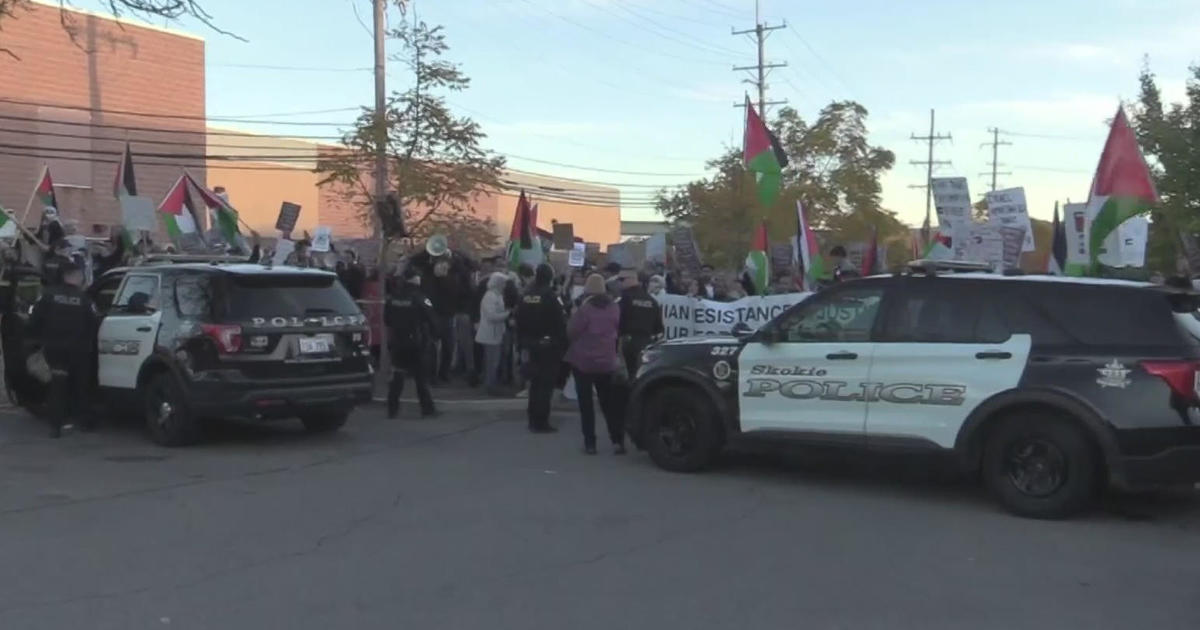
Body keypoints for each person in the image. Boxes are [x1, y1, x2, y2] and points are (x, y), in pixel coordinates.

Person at [26, 258, 100, 438]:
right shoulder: (84, 299)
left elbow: (34, 320)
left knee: (58, 387)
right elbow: (95, 322)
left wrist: (35, 340)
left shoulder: (48, 295)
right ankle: (83, 422)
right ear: (75, 276)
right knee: (81, 386)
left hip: (55, 349)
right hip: (80, 350)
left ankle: (55, 426)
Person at [565, 273, 626, 454]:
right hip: (607, 361)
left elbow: (571, 331)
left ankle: (590, 443)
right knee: (609, 404)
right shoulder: (614, 308)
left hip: (583, 361)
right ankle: (617, 441)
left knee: (586, 405)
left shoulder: (585, 309)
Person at [515, 263, 566, 433]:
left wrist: (522, 342)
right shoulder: (550, 296)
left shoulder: (526, 294)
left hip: (529, 343)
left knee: (534, 384)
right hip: (548, 346)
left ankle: (532, 419)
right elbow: (560, 322)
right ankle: (541, 421)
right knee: (545, 385)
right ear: (550, 277)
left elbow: (518, 319)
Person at [384, 266, 439, 419]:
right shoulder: (419, 297)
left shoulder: (393, 296)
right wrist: (436, 335)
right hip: (416, 342)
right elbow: (431, 318)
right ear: (414, 279)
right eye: (418, 277)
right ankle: (427, 408)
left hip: (397, 341)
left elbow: (387, 319)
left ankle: (392, 408)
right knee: (420, 377)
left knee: (398, 375)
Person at [618, 271, 664, 377]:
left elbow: (617, 320)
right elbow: (658, 327)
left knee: (628, 374)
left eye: (622, 280)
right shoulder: (651, 300)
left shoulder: (625, 298)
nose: (619, 283)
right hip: (646, 342)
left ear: (631, 280)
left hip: (627, 341)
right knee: (642, 374)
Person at [475, 272, 509, 395]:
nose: (505, 286)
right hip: (490, 333)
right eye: (503, 283)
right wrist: (507, 314)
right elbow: (491, 316)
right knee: (491, 362)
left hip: (496, 332)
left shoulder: (497, 296)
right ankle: (489, 386)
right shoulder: (490, 296)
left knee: (494, 361)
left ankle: (491, 384)